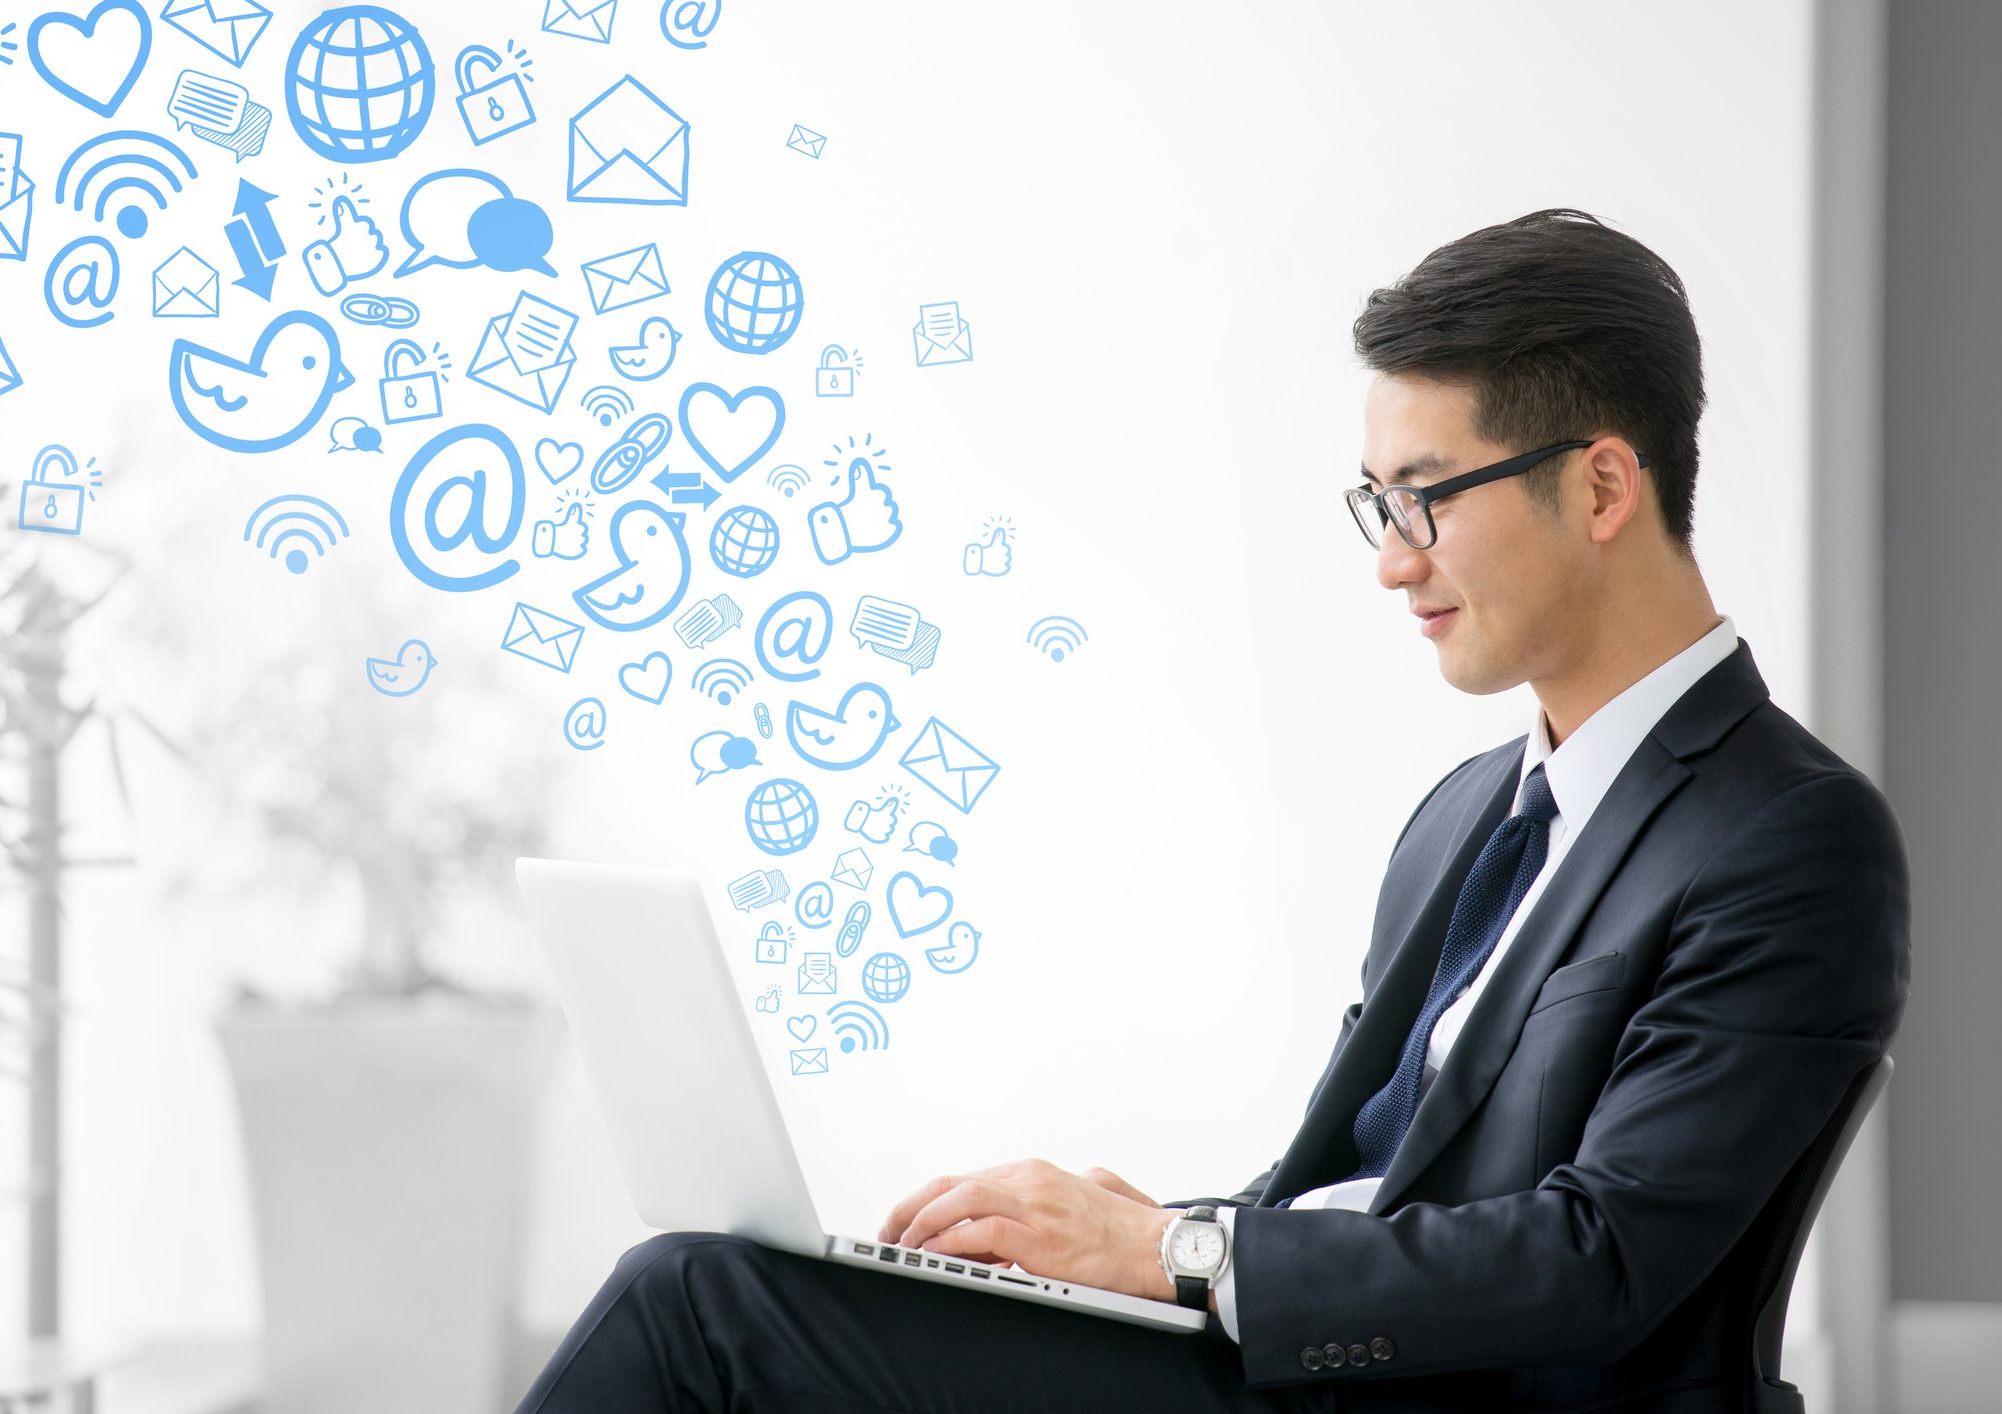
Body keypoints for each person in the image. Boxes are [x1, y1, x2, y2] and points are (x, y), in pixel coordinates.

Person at [512, 209, 1913, 1413]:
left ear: (1603, 483)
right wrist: (1136, 1239)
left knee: (699, 1308)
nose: (1392, 563)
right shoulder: (1467, 813)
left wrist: (1172, 1256)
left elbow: (1596, 1258)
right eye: (1376, 504)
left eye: (1425, 498)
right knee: (741, 1289)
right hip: (1304, 1371)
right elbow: (1371, 1182)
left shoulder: (1784, 836)